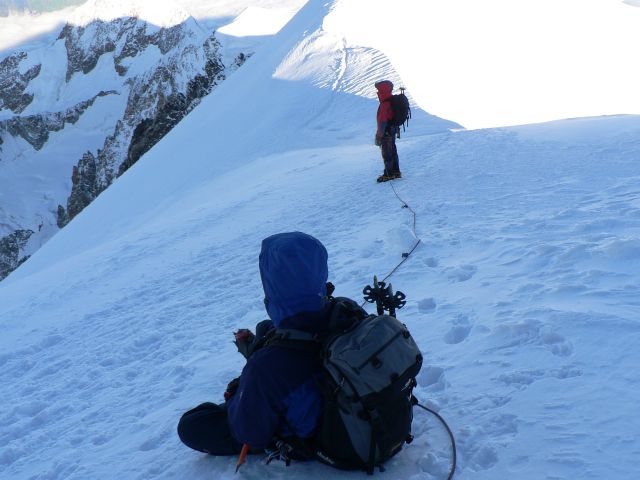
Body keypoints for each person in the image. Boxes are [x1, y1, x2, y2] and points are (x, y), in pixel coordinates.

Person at [177, 232, 364, 463]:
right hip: (341, 388)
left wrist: (240, 392)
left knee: (191, 425)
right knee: (267, 327)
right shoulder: (345, 308)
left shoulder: (266, 366)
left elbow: (249, 432)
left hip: (324, 430)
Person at [374, 80, 401, 183]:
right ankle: (396, 171)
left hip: (386, 133)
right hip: (393, 130)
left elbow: (382, 122)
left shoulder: (385, 104)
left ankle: (388, 174)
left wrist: (379, 136)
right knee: (393, 150)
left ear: (382, 91)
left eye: (378, 90)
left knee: (387, 153)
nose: (377, 93)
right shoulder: (391, 101)